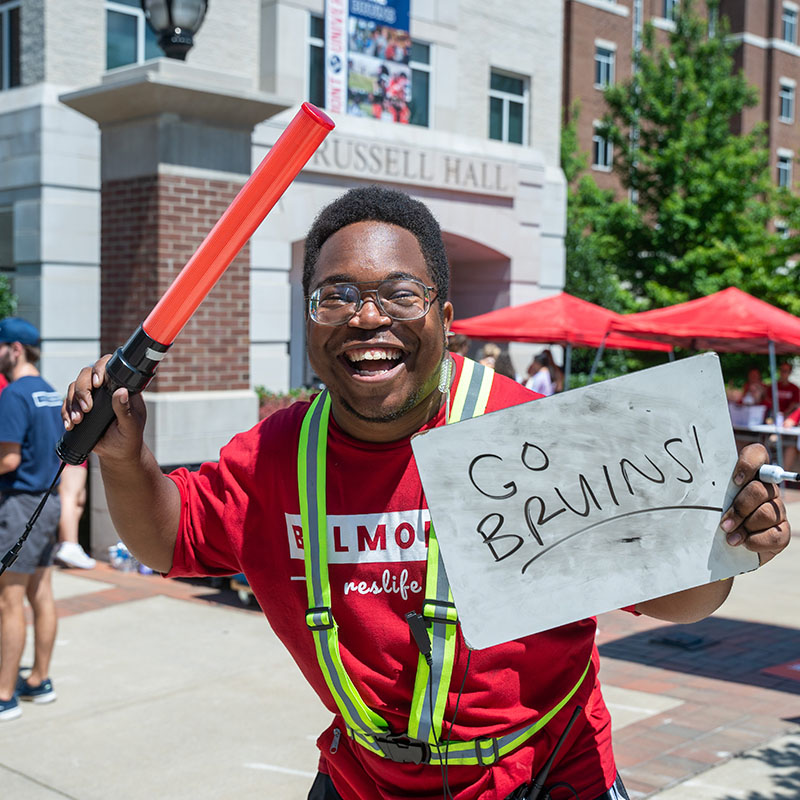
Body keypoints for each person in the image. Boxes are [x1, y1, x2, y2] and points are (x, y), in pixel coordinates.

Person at [62, 186, 790, 800]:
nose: (367, 317)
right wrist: (125, 459)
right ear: (311, 322)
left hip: (548, 773)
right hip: (361, 780)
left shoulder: (532, 434)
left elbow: (675, 599)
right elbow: (169, 539)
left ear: (444, 318)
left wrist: (723, 543)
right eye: (335, 295)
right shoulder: (276, 455)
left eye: (399, 294)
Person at [0, 318, 63, 722]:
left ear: (16, 349)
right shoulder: (50, 393)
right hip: (48, 502)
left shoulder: (15, 395)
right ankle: (38, 680)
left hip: (20, 505)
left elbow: (8, 459)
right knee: (40, 592)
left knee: (8, 601)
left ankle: (4, 694)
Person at [53, 462, 95, 570]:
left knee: (78, 499)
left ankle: (63, 544)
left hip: (77, 452)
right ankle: (70, 545)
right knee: (69, 496)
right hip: (72, 451)